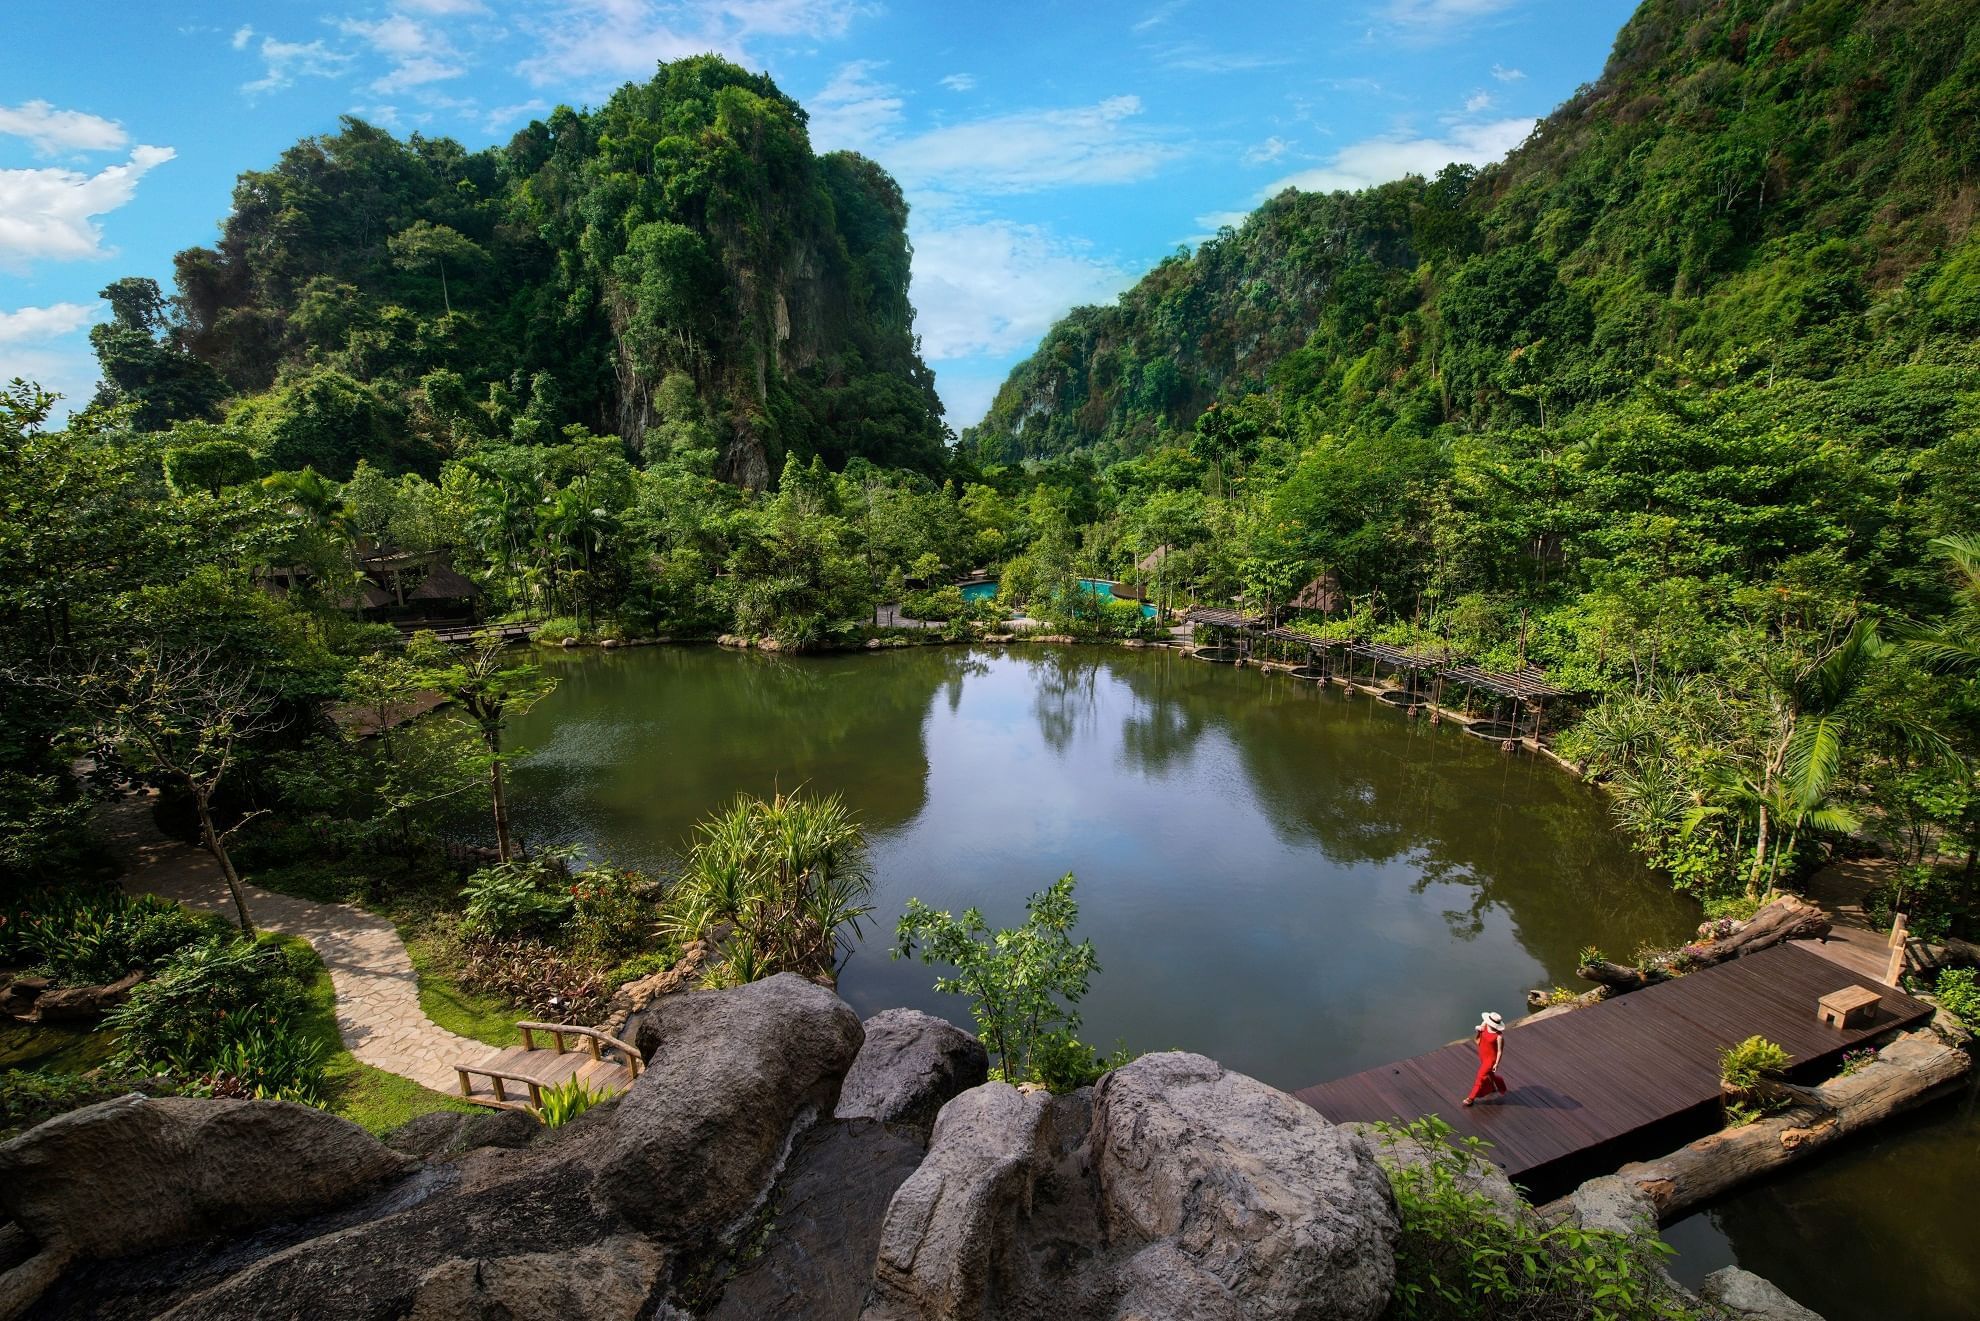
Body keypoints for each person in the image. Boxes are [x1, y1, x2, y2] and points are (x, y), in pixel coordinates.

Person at [1462, 1010, 1507, 1106]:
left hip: (1490, 1059)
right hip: (1482, 1054)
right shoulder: (1485, 1024)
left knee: (1480, 1077)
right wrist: (1479, 1029)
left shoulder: (1499, 1037)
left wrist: (1496, 1064)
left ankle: (1471, 1098)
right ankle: (1496, 1087)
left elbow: (1499, 1051)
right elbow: (1480, 1030)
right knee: (1490, 1074)